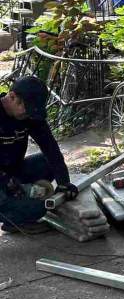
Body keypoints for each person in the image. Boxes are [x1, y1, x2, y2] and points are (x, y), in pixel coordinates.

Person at [0, 75, 78, 233]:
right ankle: (14, 216)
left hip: (13, 171)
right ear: (13, 97)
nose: (29, 115)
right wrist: (5, 181)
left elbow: (51, 149)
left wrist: (64, 183)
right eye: (27, 110)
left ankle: (15, 212)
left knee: (46, 162)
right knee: (38, 208)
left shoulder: (29, 116)